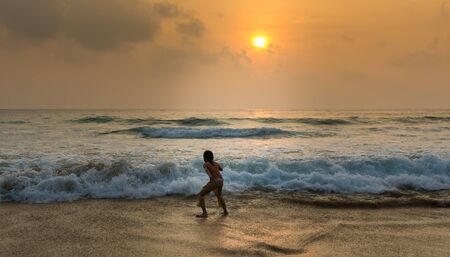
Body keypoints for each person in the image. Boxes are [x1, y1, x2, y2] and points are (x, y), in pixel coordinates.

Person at [196, 150, 228, 218]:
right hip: (221, 181)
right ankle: (225, 211)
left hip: (215, 181)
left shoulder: (205, 164)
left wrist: (210, 176)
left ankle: (204, 213)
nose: (203, 159)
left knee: (201, 194)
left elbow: (207, 171)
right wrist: (216, 167)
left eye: (203, 157)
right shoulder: (216, 163)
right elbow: (221, 169)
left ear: (205, 158)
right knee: (219, 195)